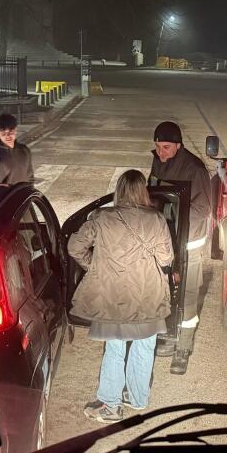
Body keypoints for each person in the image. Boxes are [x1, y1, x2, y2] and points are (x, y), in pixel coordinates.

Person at [70, 170, 174, 423]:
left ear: (119, 190)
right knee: (145, 346)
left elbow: (74, 246)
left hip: (112, 293)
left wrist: (93, 265)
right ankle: (138, 399)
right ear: (143, 191)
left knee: (115, 349)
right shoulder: (156, 219)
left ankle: (111, 406)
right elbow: (166, 259)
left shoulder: (102, 217)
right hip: (147, 292)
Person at [148, 120, 212, 375]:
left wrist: (175, 226)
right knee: (161, 288)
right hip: (162, 240)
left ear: (178, 146)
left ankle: (183, 348)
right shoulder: (157, 161)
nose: (161, 152)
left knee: (187, 294)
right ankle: (164, 336)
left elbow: (201, 209)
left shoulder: (194, 169)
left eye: (165, 147)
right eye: (157, 147)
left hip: (187, 244)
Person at [0, 113, 35, 184]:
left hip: (24, 193)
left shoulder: (24, 150)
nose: (8, 136)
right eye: (3, 133)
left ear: (16, 130)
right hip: (4, 195)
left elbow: (30, 177)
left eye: (11, 132)